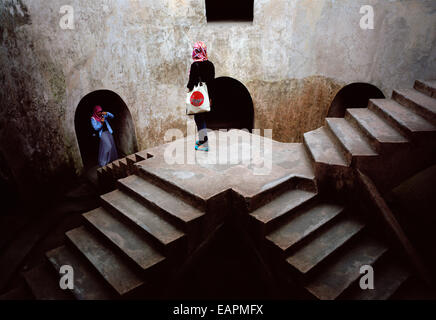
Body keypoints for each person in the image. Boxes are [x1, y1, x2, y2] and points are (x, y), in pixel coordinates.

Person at [187, 41, 215, 152]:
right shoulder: (210, 64)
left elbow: (191, 82)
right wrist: (211, 97)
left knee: (198, 117)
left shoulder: (195, 65)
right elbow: (212, 82)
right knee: (202, 117)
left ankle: (205, 143)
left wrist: (189, 94)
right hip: (207, 95)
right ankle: (202, 139)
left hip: (198, 95)